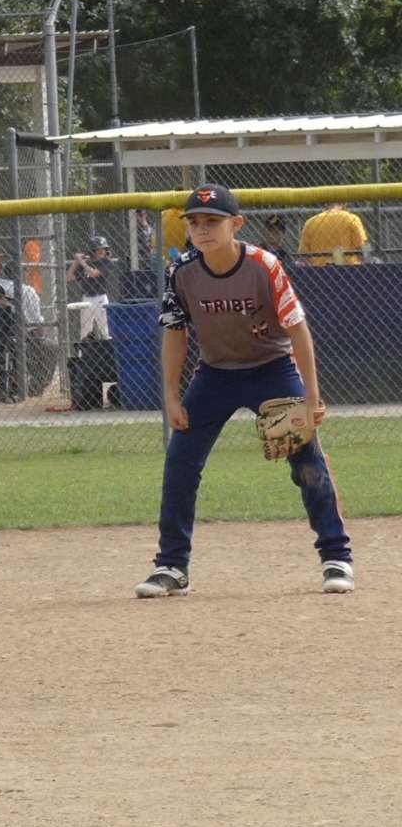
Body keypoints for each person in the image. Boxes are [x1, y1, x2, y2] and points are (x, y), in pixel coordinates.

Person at [135, 185, 352, 598]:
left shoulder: (263, 265)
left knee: (306, 461)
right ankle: (172, 566)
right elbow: (175, 333)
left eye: (212, 221)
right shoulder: (181, 271)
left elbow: (298, 329)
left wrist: (311, 396)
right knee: (180, 463)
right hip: (214, 375)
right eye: (194, 222)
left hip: (273, 369)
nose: (202, 229)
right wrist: (171, 396)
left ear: (236, 224)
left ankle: (336, 556)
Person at [298, 203, 369, 265]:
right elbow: (363, 246)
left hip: (319, 271)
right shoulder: (352, 218)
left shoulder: (310, 222)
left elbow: (303, 254)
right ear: (344, 203)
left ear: (325, 204)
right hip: (349, 269)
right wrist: (368, 262)